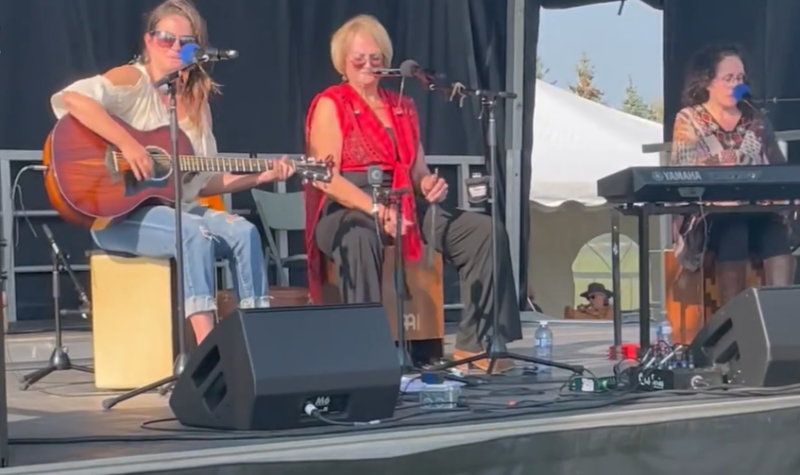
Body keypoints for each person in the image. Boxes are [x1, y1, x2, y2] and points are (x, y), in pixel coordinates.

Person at [49, 0, 295, 344]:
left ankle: (258, 340)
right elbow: (72, 99)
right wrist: (129, 144)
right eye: (167, 39)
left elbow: (204, 180)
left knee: (243, 231)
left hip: (175, 208)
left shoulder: (196, 104)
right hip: (117, 217)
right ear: (149, 42)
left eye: (187, 43)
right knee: (191, 231)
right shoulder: (132, 80)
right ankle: (208, 350)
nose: (176, 48)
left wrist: (259, 177)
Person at [304, 15, 522, 373]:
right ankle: (367, 354)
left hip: (403, 200)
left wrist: (428, 185)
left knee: (486, 233)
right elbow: (327, 179)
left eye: (375, 58)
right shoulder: (333, 103)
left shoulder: (401, 105)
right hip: (349, 205)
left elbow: (418, 170)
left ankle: (477, 345)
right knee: (360, 237)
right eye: (359, 59)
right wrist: (375, 209)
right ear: (342, 63)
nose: (368, 66)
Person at [670, 44, 794, 305]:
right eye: (728, 78)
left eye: (740, 79)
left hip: (757, 211)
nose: (736, 86)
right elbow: (683, 170)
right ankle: (735, 325)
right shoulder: (690, 118)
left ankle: (778, 319)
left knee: (776, 237)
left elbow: (779, 169)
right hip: (711, 215)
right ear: (707, 81)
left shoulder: (757, 121)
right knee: (734, 230)